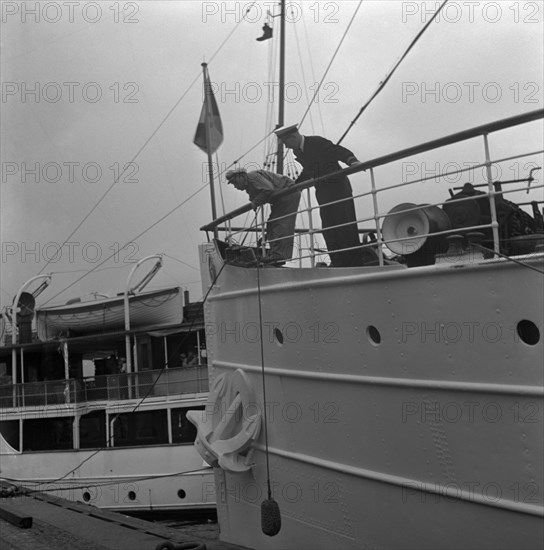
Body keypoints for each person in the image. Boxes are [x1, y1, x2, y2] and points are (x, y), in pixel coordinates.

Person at [275, 124, 365, 267]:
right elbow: (309, 170)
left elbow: (337, 151)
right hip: (324, 194)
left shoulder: (316, 142)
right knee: (329, 230)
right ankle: (338, 262)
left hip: (339, 190)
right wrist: (295, 186)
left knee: (345, 227)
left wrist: (352, 161)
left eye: (286, 143)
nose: (286, 147)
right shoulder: (300, 151)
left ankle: (353, 263)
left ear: (292, 137)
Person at [226, 167, 301, 263]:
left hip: (288, 192)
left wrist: (256, 201)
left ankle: (279, 255)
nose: (235, 186)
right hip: (280, 198)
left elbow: (268, 189)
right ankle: (275, 253)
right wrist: (255, 200)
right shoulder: (249, 185)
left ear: (242, 176)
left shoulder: (253, 176)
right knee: (271, 224)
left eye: (235, 182)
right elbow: (261, 193)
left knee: (280, 222)